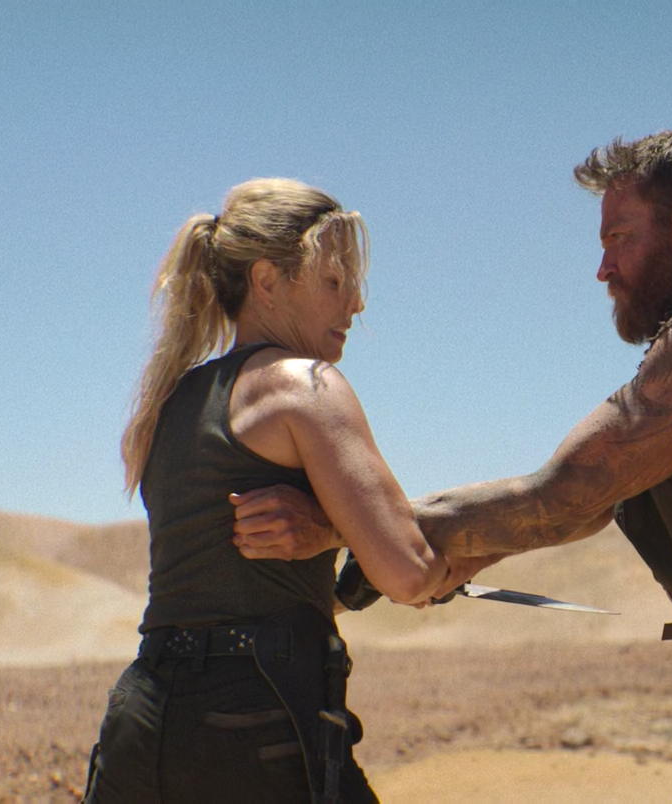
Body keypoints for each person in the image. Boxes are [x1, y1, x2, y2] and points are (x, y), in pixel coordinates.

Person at [233, 129, 672, 802]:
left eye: (619, 239)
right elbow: (586, 504)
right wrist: (416, 560)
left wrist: (344, 526)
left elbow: (565, 497)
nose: (603, 268)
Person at [84, 178, 448, 804]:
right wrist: (377, 541)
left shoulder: (170, 404)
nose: (355, 303)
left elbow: (237, 584)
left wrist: (329, 536)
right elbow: (409, 573)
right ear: (267, 282)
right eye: (333, 281)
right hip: (252, 727)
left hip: (141, 723)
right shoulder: (302, 385)